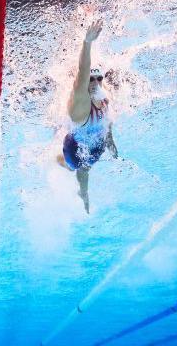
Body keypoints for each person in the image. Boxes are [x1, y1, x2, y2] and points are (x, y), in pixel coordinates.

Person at [56, 19, 118, 213]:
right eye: (91, 79)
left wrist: (110, 140)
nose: (95, 82)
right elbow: (83, 71)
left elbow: (108, 120)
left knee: (87, 168)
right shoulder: (81, 104)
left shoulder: (103, 95)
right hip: (76, 149)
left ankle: (83, 191)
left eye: (99, 78)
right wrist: (87, 42)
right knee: (77, 168)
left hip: (97, 143)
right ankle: (82, 191)